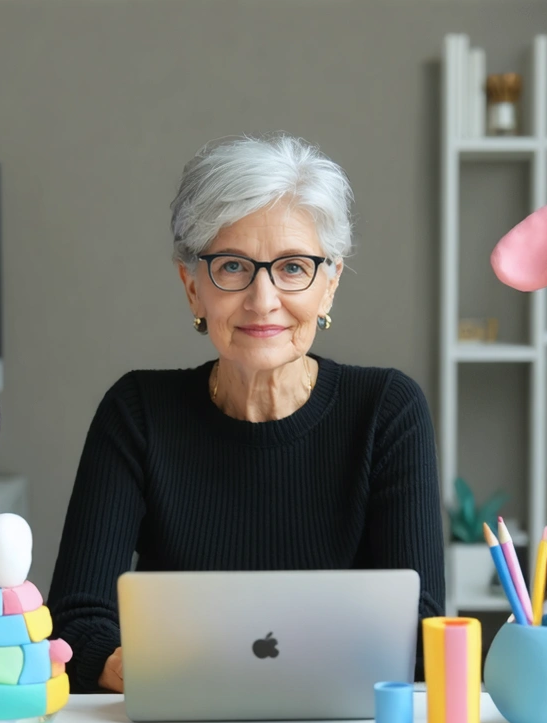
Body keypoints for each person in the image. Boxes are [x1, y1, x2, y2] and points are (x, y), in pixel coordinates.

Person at [47, 133, 444, 693]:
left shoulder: (387, 411)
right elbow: (73, 625)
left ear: (328, 286)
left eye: (292, 268)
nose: (263, 300)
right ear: (192, 289)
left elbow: (424, 635)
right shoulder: (136, 413)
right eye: (232, 267)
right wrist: (139, 670)